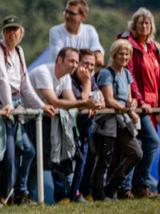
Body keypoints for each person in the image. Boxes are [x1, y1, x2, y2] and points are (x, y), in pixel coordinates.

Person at [0, 16, 56, 207]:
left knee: (28, 151)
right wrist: (7, 104)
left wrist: (41, 105)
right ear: (3, 32)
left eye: (15, 30)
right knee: (2, 154)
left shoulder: (18, 51)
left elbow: (24, 85)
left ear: (21, 32)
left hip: (11, 105)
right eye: (8, 30)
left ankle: (16, 192)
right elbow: (1, 79)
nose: (12, 33)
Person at [30, 47, 99, 202]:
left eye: (76, 61)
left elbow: (71, 101)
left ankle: (73, 194)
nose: (74, 65)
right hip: (29, 121)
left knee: (53, 158)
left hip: (45, 120)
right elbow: (54, 101)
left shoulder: (65, 76)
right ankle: (27, 195)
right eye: (72, 61)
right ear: (60, 60)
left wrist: (88, 105)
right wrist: (85, 103)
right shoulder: (43, 72)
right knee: (34, 159)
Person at [91, 39, 143, 201]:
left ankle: (111, 187)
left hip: (122, 119)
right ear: (114, 54)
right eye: (121, 53)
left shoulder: (126, 73)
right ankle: (99, 194)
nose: (124, 56)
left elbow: (128, 98)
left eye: (127, 54)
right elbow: (109, 100)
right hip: (108, 120)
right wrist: (128, 109)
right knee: (104, 159)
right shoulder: (106, 73)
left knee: (135, 153)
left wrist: (132, 103)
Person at [118, 8, 160, 198]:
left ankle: (134, 187)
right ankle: (134, 186)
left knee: (141, 144)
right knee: (149, 142)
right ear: (133, 25)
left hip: (153, 106)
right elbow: (130, 76)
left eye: (147, 23)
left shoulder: (153, 48)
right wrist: (140, 101)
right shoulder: (129, 45)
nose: (144, 26)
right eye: (140, 22)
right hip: (138, 104)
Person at [33, 0, 105, 69]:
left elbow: (99, 59)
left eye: (72, 13)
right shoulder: (55, 31)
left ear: (83, 17)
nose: (67, 16)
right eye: (66, 12)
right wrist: (87, 61)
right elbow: (60, 60)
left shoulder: (90, 31)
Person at [70, 48, 103, 202]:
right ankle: (73, 194)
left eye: (92, 65)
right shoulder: (73, 80)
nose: (89, 67)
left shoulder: (91, 78)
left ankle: (84, 191)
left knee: (90, 156)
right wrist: (87, 82)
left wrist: (94, 104)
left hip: (87, 126)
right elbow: (82, 102)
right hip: (73, 127)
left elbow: (100, 101)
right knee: (78, 159)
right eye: (86, 63)